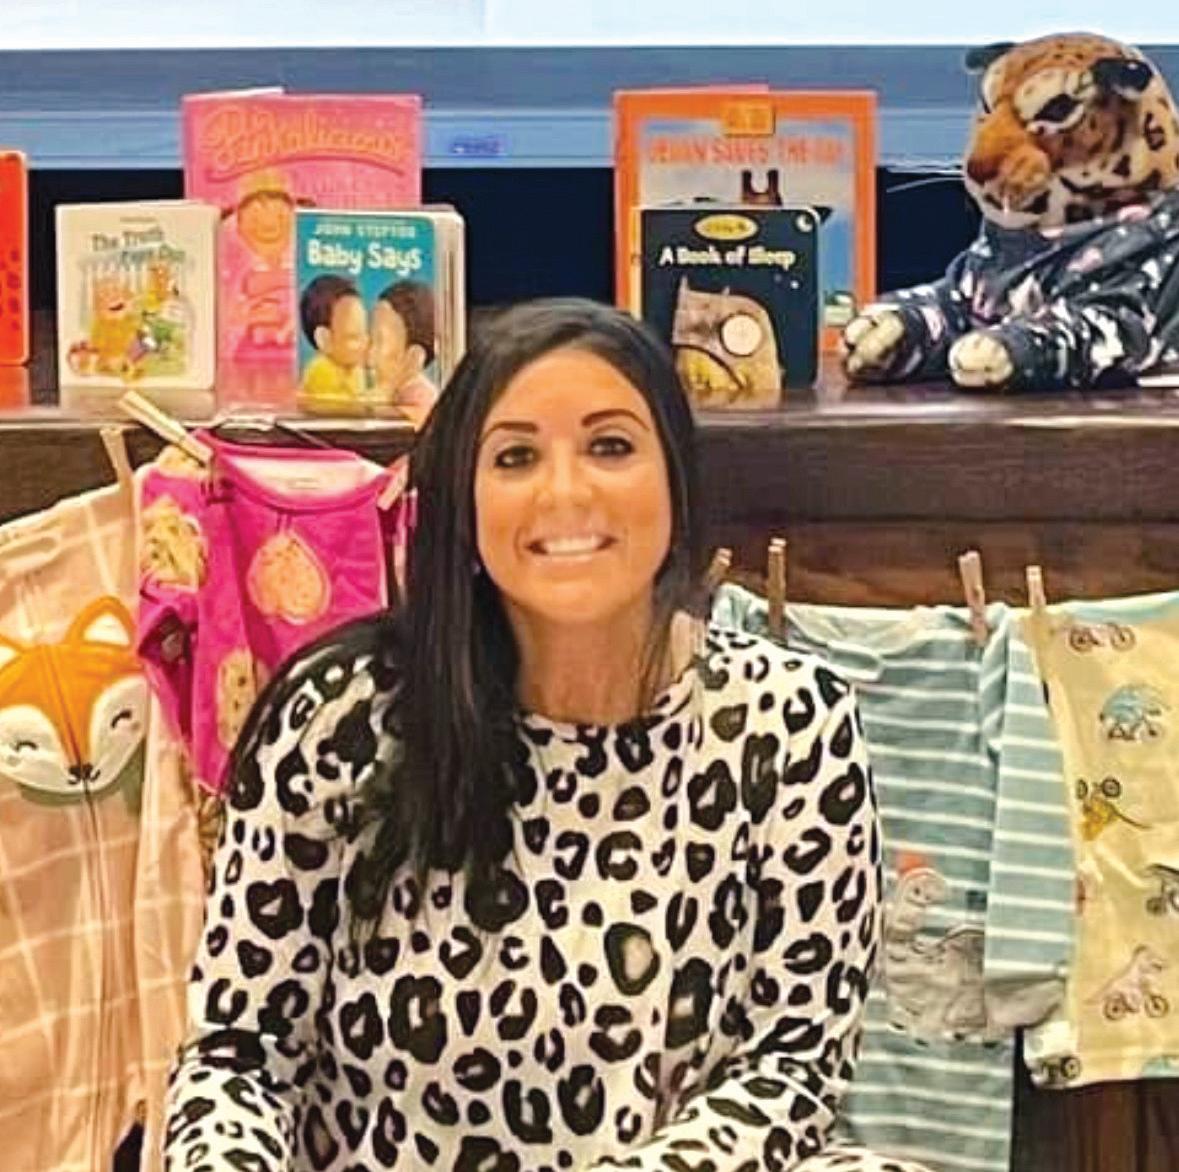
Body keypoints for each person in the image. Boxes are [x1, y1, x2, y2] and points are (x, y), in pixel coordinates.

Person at [163, 298, 931, 1172]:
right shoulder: (341, 715)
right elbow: (238, 1057)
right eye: (516, 457)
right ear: (463, 502)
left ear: (675, 483)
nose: (565, 493)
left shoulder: (793, 724)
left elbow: (791, 1072)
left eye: (610, 446)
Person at [369, 278, 440, 427]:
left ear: (414, 357)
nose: (369, 359)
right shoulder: (396, 395)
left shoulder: (420, 402)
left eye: (379, 341)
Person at [298, 274, 368, 403]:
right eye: (353, 337)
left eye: (365, 333)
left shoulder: (354, 370)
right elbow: (343, 408)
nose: (365, 343)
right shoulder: (322, 371)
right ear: (324, 340)